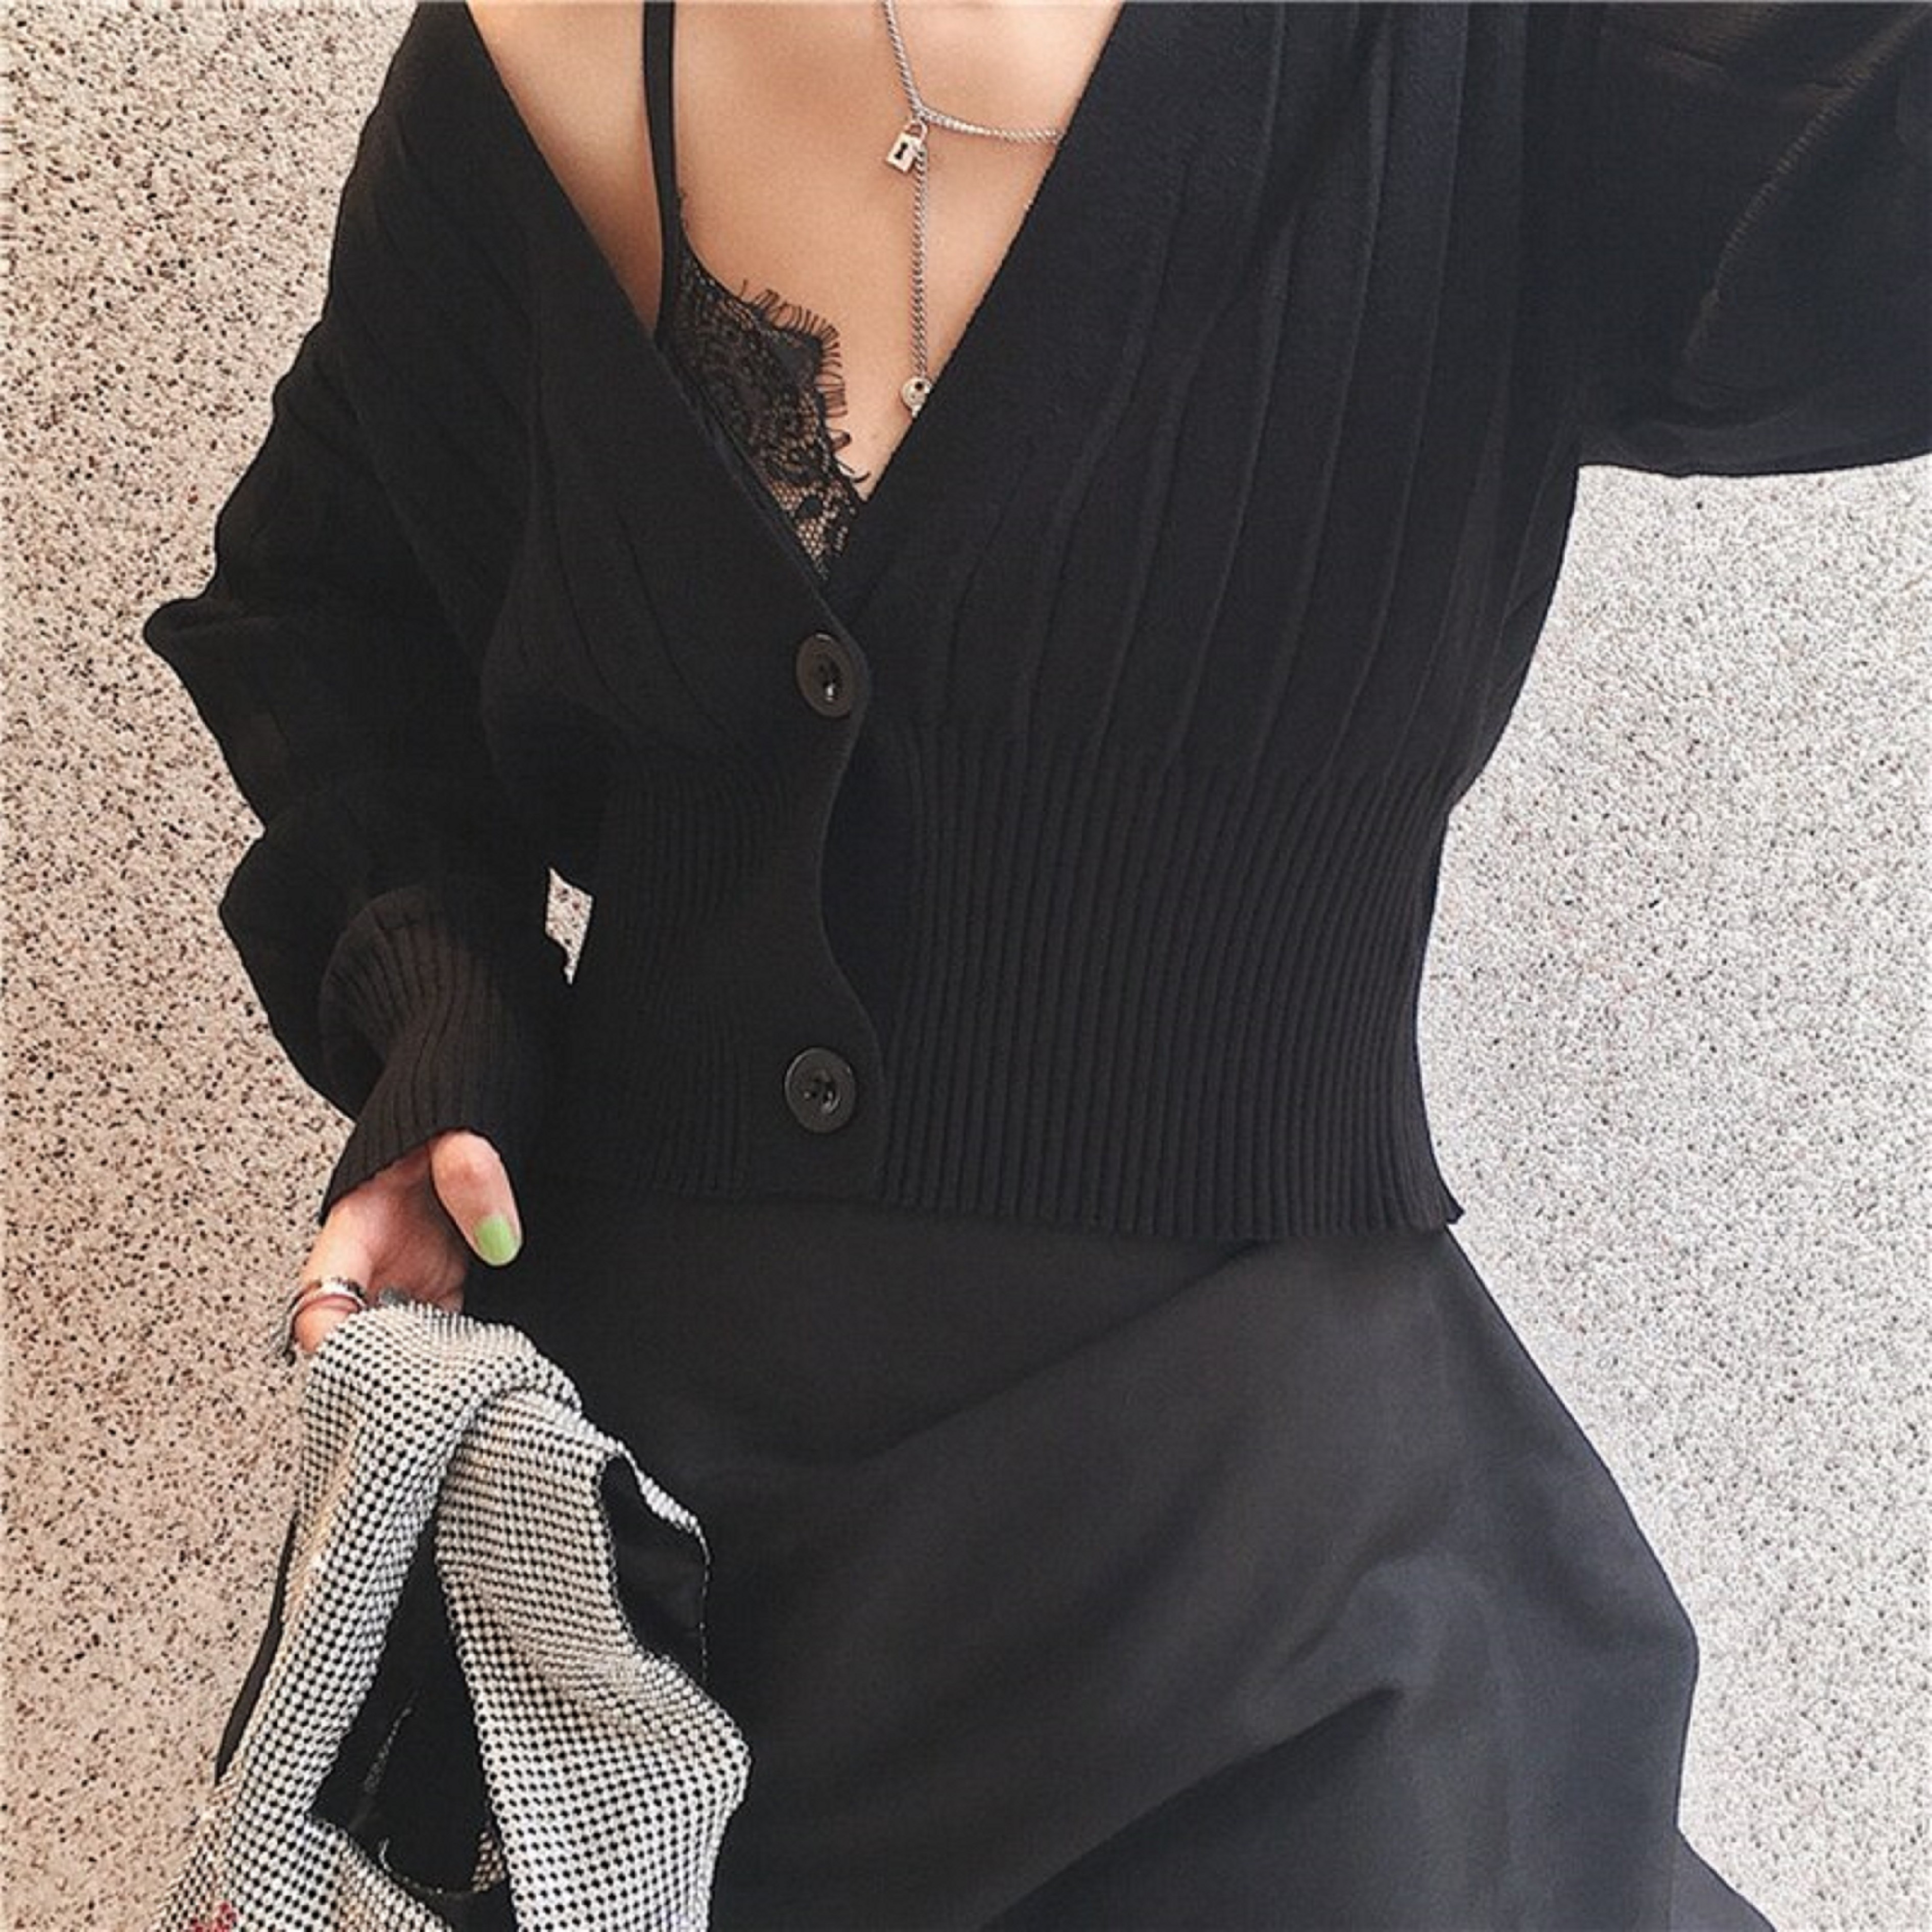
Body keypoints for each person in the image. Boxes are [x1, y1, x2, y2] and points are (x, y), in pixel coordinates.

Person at [142, 1, 1928, 1925]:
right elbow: (328, 613)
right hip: (627, 1615)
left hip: (1271, 1607)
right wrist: (448, 1016)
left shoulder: (1503, 56)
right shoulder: (530, 49)